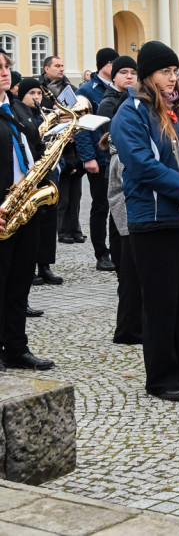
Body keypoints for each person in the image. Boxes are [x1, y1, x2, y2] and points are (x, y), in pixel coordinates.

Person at [110, 41, 179, 402]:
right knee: (161, 301)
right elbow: (142, 165)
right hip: (153, 219)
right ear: (148, 75)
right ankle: (161, 376)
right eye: (165, 72)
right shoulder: (131, 113)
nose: (173, 79)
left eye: (175, 71)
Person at [0, 52, 55, 370]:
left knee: (20, 282)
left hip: (27, 207)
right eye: (0, 69)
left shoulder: (19, 107)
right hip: (3, 209)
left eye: (7, 67)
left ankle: (17, 348)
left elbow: (34, 151)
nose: (6, 73)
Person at [100, 56, 144, 344]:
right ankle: (127, 328)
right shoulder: (112, 105)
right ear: (114, 77)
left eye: (133, 72)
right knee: (128, 265)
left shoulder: (135, 102)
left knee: (134, 266)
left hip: (128, 189)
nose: (129, 77)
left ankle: (133, 324)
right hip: (121, 189)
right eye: (123, 72)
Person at [16, 78, 57, 316]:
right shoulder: (19, 115)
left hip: (43, 178)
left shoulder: (38, 114)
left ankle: (43, 266)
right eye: (31, 92)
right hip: (27, 183)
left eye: (38, 93)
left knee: (44, 228)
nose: (37, 97)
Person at [76, 48, 118, 271]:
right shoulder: (86, 90)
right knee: (101, 207)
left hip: (118, 156)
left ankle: (117, 248)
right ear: (103, 64)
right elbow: (81, 127)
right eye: (113, 62)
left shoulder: (122, 89)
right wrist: (88, 157)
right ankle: (101, 253)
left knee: (118, 205)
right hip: (99, 157)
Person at [40, 56, 85, 245]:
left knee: (76, 196)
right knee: (63, 195)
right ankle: (63, 230)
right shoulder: (41, 90)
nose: (61, 69)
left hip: (74, 144)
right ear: (46, 69)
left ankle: (75, 229)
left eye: (62, 66)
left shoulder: (70, 89)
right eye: (57, 66)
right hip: (58, 146)